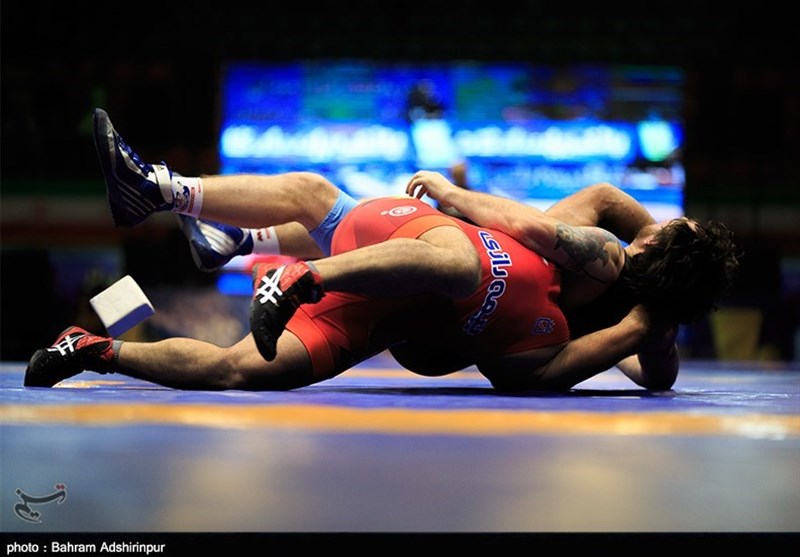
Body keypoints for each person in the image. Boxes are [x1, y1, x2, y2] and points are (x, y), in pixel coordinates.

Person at [23, 109, 738, 392]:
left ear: (655, 246)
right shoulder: (604, 262)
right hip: (438, 254)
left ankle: (91, 347)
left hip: (399, 313)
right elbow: (594, 214)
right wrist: (460, 207)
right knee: (329, 205)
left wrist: (650, 319)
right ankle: (191, 209)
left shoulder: (606, 272)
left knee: (238, 369)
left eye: (670, 232)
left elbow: (556, 365)